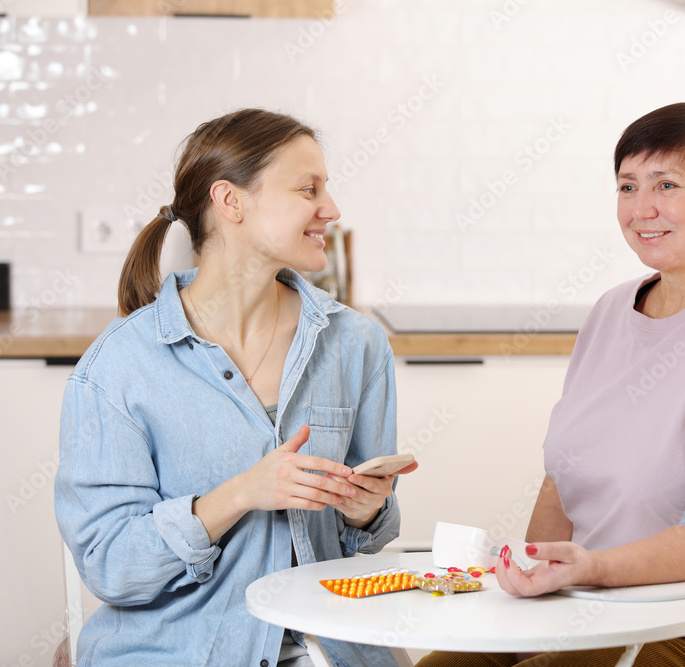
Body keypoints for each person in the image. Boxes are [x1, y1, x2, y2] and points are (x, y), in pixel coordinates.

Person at [419, 103, 685, 667]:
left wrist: (593, 569)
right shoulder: (612, 311)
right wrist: (535, 577)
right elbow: (562, 480)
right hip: (590, 610)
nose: (641, 209)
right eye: (627, 186)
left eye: (667, 184)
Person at [55, 108, 416, 667]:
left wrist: (364, 513)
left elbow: (364, 546)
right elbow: (111, 567)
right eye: (307, 189)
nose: (332, 208)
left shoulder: (355, 343)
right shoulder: (120, 366)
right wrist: (241, 494)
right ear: (231, 202)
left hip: (326, 650)